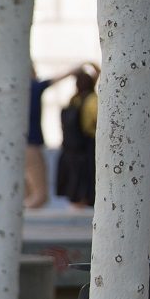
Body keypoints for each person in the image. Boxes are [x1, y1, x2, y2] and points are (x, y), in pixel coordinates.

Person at [55, 64, 100, 210]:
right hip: (86, 154)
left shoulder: (73, 100)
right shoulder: (93, 101)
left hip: (69, 154)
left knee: (75, 194)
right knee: (85, 193)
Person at [26, 64, 60, 210]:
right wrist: (84, 65)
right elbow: (59, 77)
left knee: (27, 194)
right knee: (40, 196)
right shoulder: (33, 87)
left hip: (18, 146)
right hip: (31, 145)